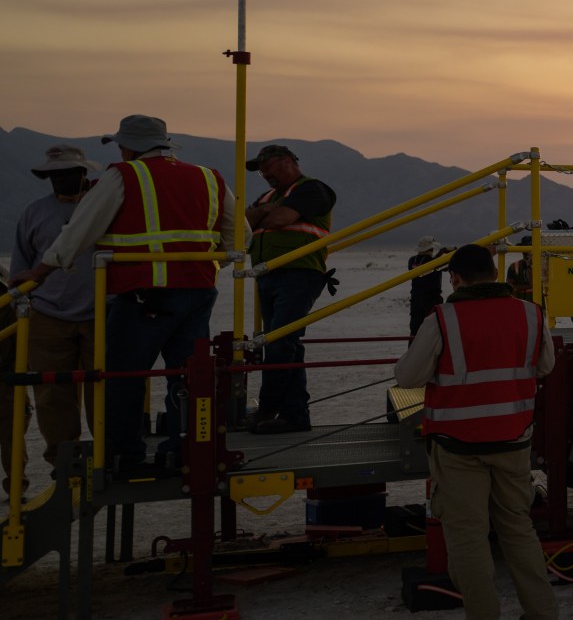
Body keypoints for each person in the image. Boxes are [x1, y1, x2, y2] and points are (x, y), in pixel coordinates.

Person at [23, 116, 232, 474]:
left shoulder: (123, 175)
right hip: (198, 291)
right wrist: (203, 265)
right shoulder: (209, 177)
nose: (120, 150)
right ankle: (185, 448)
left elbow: (79, 230)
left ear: (132, 146)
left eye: (121, 145)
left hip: (143, 296)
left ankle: (123, 454)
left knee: (123, 376)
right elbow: (237, 235)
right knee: (188, 374)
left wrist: (41, 271)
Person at [393, 243, 561, 620]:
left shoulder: (444, 319)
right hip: (513, 440)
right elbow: (546, 366)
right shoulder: (530, 312)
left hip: (458, 446)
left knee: (467, 536)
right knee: (518, 529)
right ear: (493, 272)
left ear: (455, 277)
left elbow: (408, 376)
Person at [7, 146, 101, 473]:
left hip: (102, 314)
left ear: (83, 174)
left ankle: (107, 454)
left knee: (104, 390)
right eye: (56, 174)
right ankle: (63, 461)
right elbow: (20, 268)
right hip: (47, 316)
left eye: (69, 173)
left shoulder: (104, 209)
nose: (62, 179)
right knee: (51, 394)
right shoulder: (34, 213)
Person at [243, 144, 338, 434]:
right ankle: (295, 416)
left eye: (267, 167)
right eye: (260, 171)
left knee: (280, 342)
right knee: (287, 346)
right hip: (268, 275)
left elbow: (278, 220)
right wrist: (268, 209)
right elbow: (246, 222)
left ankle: (269, 408)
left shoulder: (312, 189)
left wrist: (266, 213)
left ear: (286, 162)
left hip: (299, 274)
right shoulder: (270, 196)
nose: (264, 174)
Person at [407, 236, 445, 335]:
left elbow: (427, 264)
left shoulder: (412, 261)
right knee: (434, 332)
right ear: (431, 249)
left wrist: (439, 255)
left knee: (415, 332)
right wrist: (442, 254)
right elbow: (443, 266)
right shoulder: (434, 262)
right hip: (432, 302)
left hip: (416, 301)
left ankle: (413, 350)